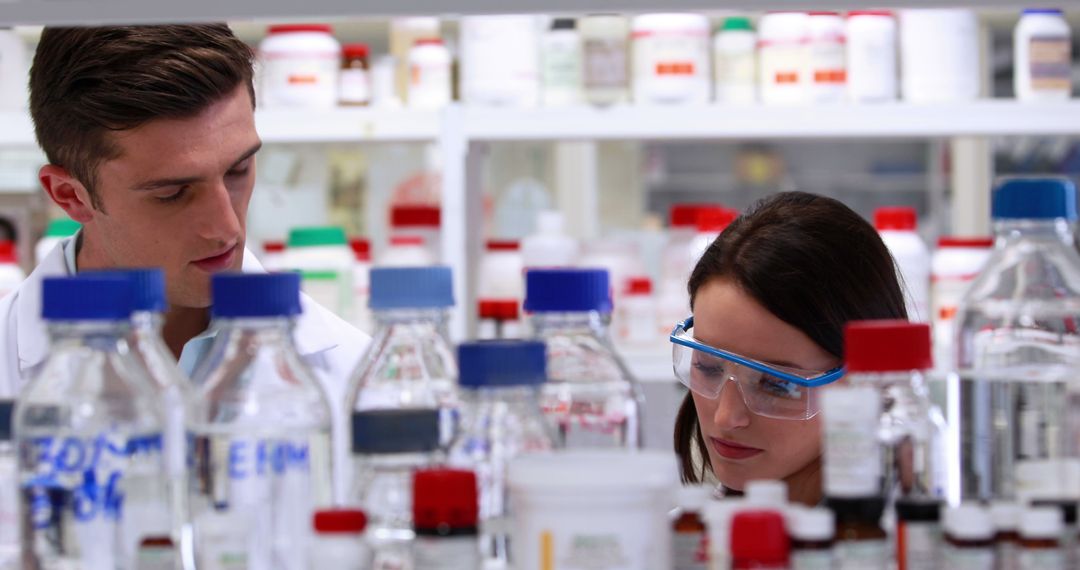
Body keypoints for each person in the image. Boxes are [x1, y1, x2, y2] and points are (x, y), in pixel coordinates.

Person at [0, 24, 369, 399]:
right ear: (71, 196)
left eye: (238, 170)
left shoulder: (355, 376)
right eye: (173, 193)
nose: (226, 228)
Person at [671, 192, 908, 506]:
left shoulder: (907, 546)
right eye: (708, 367)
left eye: (776, 384)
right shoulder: (681, 538)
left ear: (867, 378)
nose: (728, 417)